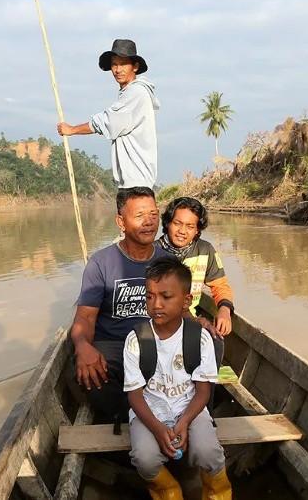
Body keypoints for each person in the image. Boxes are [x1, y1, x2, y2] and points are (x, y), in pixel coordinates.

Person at [123, 257, 232, 500]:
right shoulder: (136, 340)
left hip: (189, 408)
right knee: (145, 458)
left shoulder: (199, 338)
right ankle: (169, 490)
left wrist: (183, 422)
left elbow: (203, 392)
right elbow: (135, 395)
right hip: (150, 412)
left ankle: (217, 490)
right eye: (150, 296)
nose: (156, 304)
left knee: (208, 452)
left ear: (186, 301)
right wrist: (158, 429)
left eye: (166, 296)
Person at [71, 186, 170, 420]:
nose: (149, 222)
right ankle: (133, 418)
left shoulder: (168, 262)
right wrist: (83, 346)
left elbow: (179, 313)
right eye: (139, 216)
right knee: (86, 373)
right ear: (121, 222)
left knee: (204, 350)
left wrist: (198, 325)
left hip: (155, 341)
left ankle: (156, 414)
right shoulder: (101, 263)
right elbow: (85, 317)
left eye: (153, 215)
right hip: (113, 345)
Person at [57, 39, 160, 190]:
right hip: (133, 183)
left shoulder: (136, 92)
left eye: (123, 64)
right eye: (114, 64)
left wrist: (72, 130)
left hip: (136, 183)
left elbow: (108, 121)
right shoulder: (130, 93)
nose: (118, 70)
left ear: (135, 67)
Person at [157, 197, 235, 337]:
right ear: (168, 223)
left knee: (216, 341)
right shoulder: (153, 252)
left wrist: (225, 310)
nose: (182, 231)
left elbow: (220, 285)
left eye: (190, 226)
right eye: (177, 223)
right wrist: (194, 321)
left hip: (190, 320)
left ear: (197, 230)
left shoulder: (205, 250)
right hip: (159, 322)